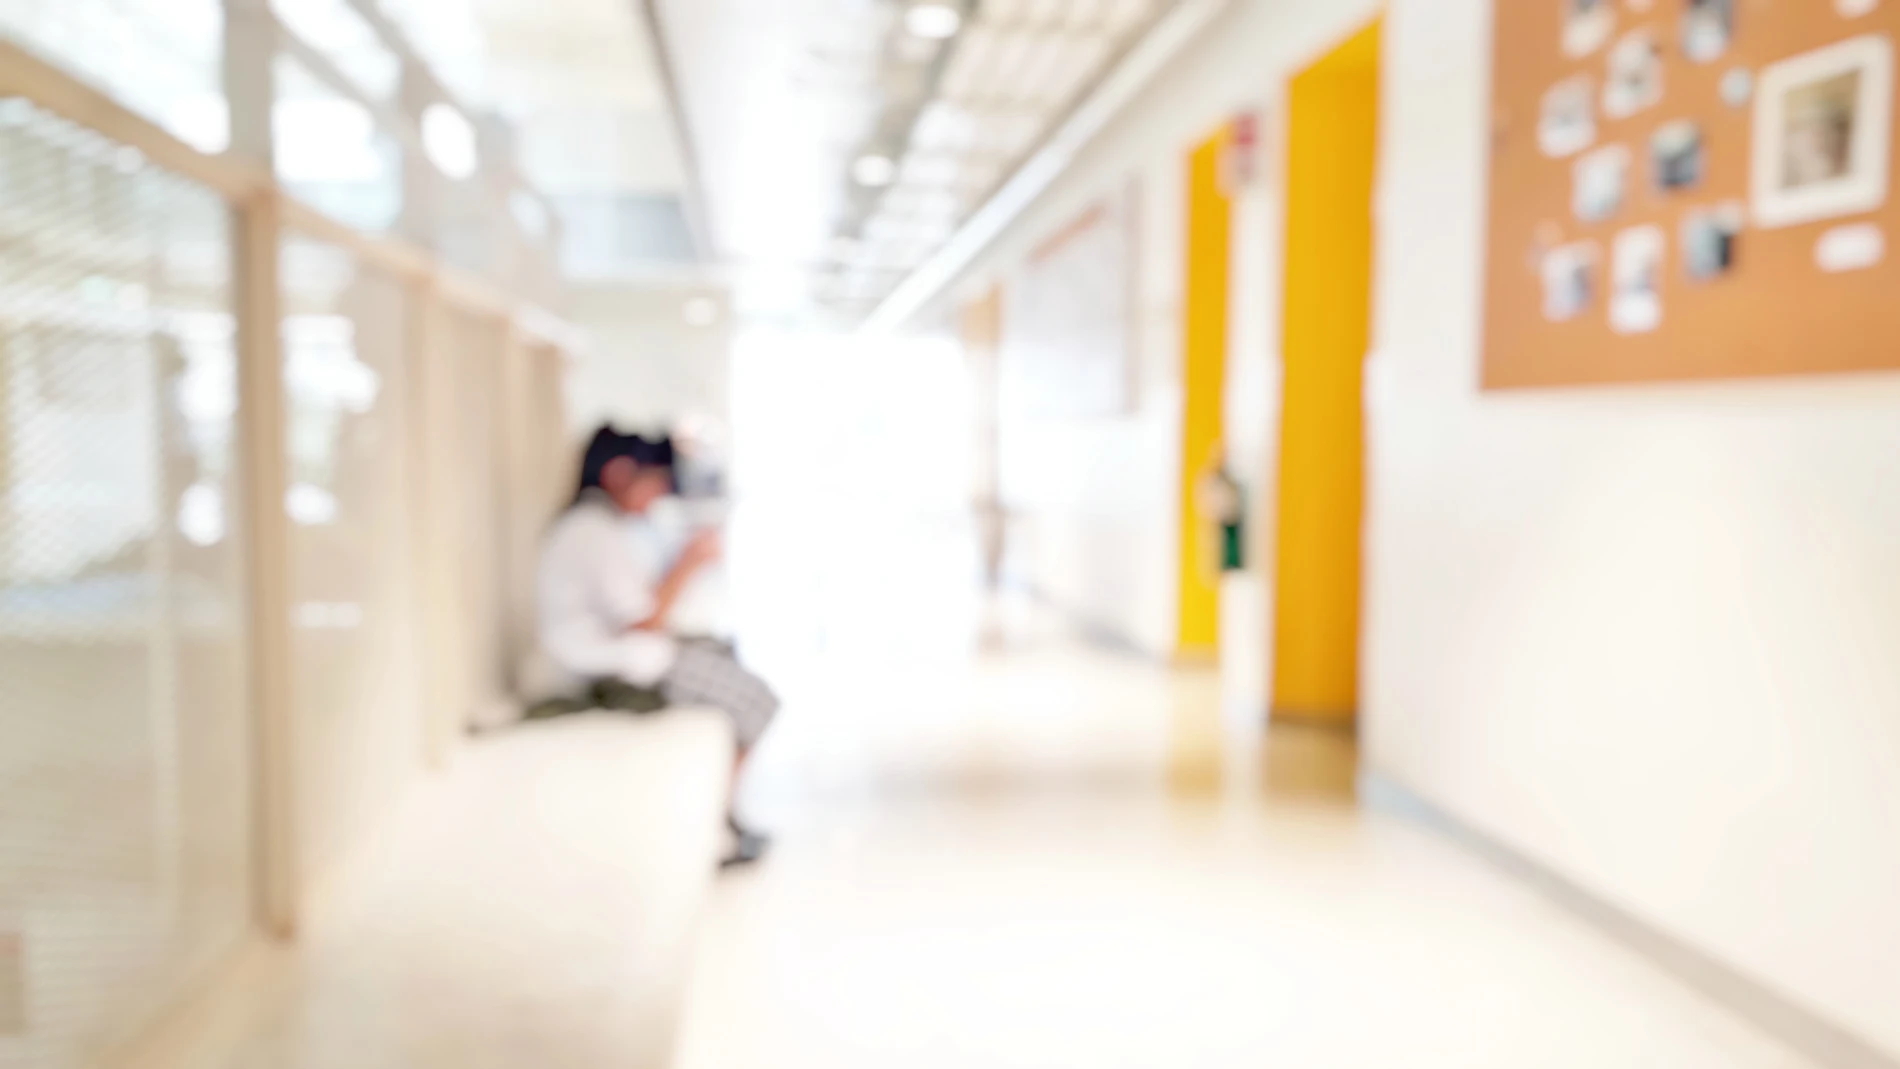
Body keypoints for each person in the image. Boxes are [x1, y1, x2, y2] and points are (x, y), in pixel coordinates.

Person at [531, 425, 778, 868]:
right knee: (756, 701)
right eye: (655, 481)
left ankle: (722, 818)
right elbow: (645, 622)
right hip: (614, 672)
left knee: (722, 654)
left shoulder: (600, 526)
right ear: (620, 473)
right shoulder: (593, 533)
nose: (659, 493)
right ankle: (715, 830)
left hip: (623, 657)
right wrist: (689, 563)